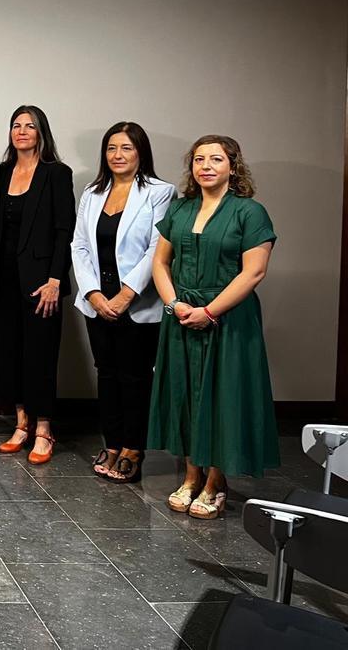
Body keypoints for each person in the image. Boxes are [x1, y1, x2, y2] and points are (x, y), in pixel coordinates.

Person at [148, 135, 278, 519]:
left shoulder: (250, 212)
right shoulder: (181, 209)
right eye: (199, 159)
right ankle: (190, 475)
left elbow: (254, 272)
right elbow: (160, 263)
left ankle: (215, 481)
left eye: (216, 159)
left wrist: (210, 311)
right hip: (182, 315)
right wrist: (175, 304)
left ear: (232, 167)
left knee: (222, 396)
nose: (206, 166)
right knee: (186, 394)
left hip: (229, 319)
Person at [71, 122, 175, 484]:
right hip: (98, 303)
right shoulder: (92, 191)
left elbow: (157, 247)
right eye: (112, 148)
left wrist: (126, 294)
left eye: (126, 148)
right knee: (108, 373)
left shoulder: (160, 192)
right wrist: (93, 294)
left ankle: (133, 448)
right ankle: (112, 444)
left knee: (135, 377)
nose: (117, 155)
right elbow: (79, 246)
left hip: (137, 303)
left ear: (140, 152)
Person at [0, 105, 74, 465]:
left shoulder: (57, 173)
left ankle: (43, 429)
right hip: (3, 279)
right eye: (16, 125)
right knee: (9, 353)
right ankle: (20, 424)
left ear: (41, 133)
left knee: (40, 355)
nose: (22, 131)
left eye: (30, 126)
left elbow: (64, 230)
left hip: (42, 283)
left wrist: (56, 279)